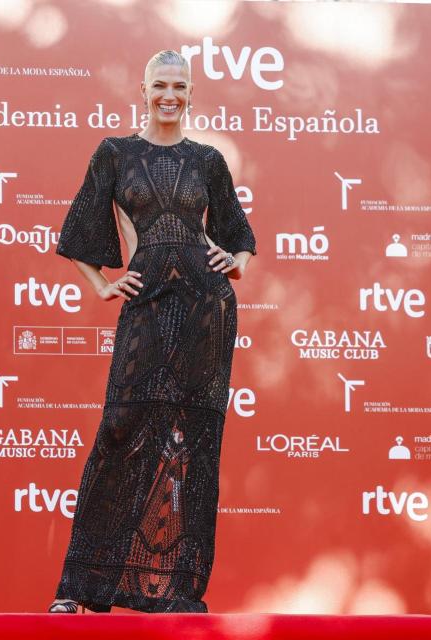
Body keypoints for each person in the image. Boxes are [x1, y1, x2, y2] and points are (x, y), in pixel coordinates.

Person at [48, 49, 257, 614]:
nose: (170, 94)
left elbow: (240, 237)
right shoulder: (114, 153)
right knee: (121, 430)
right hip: (147, 302)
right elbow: (81, 229)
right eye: (160, 84)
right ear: (143, 90)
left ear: (191, 94)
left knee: (194, 446)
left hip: (206, 311)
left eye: (179, 86)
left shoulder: (209, 160)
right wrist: (100, 285)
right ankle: (82, 591)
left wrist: (231, 260)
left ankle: (177, 594)